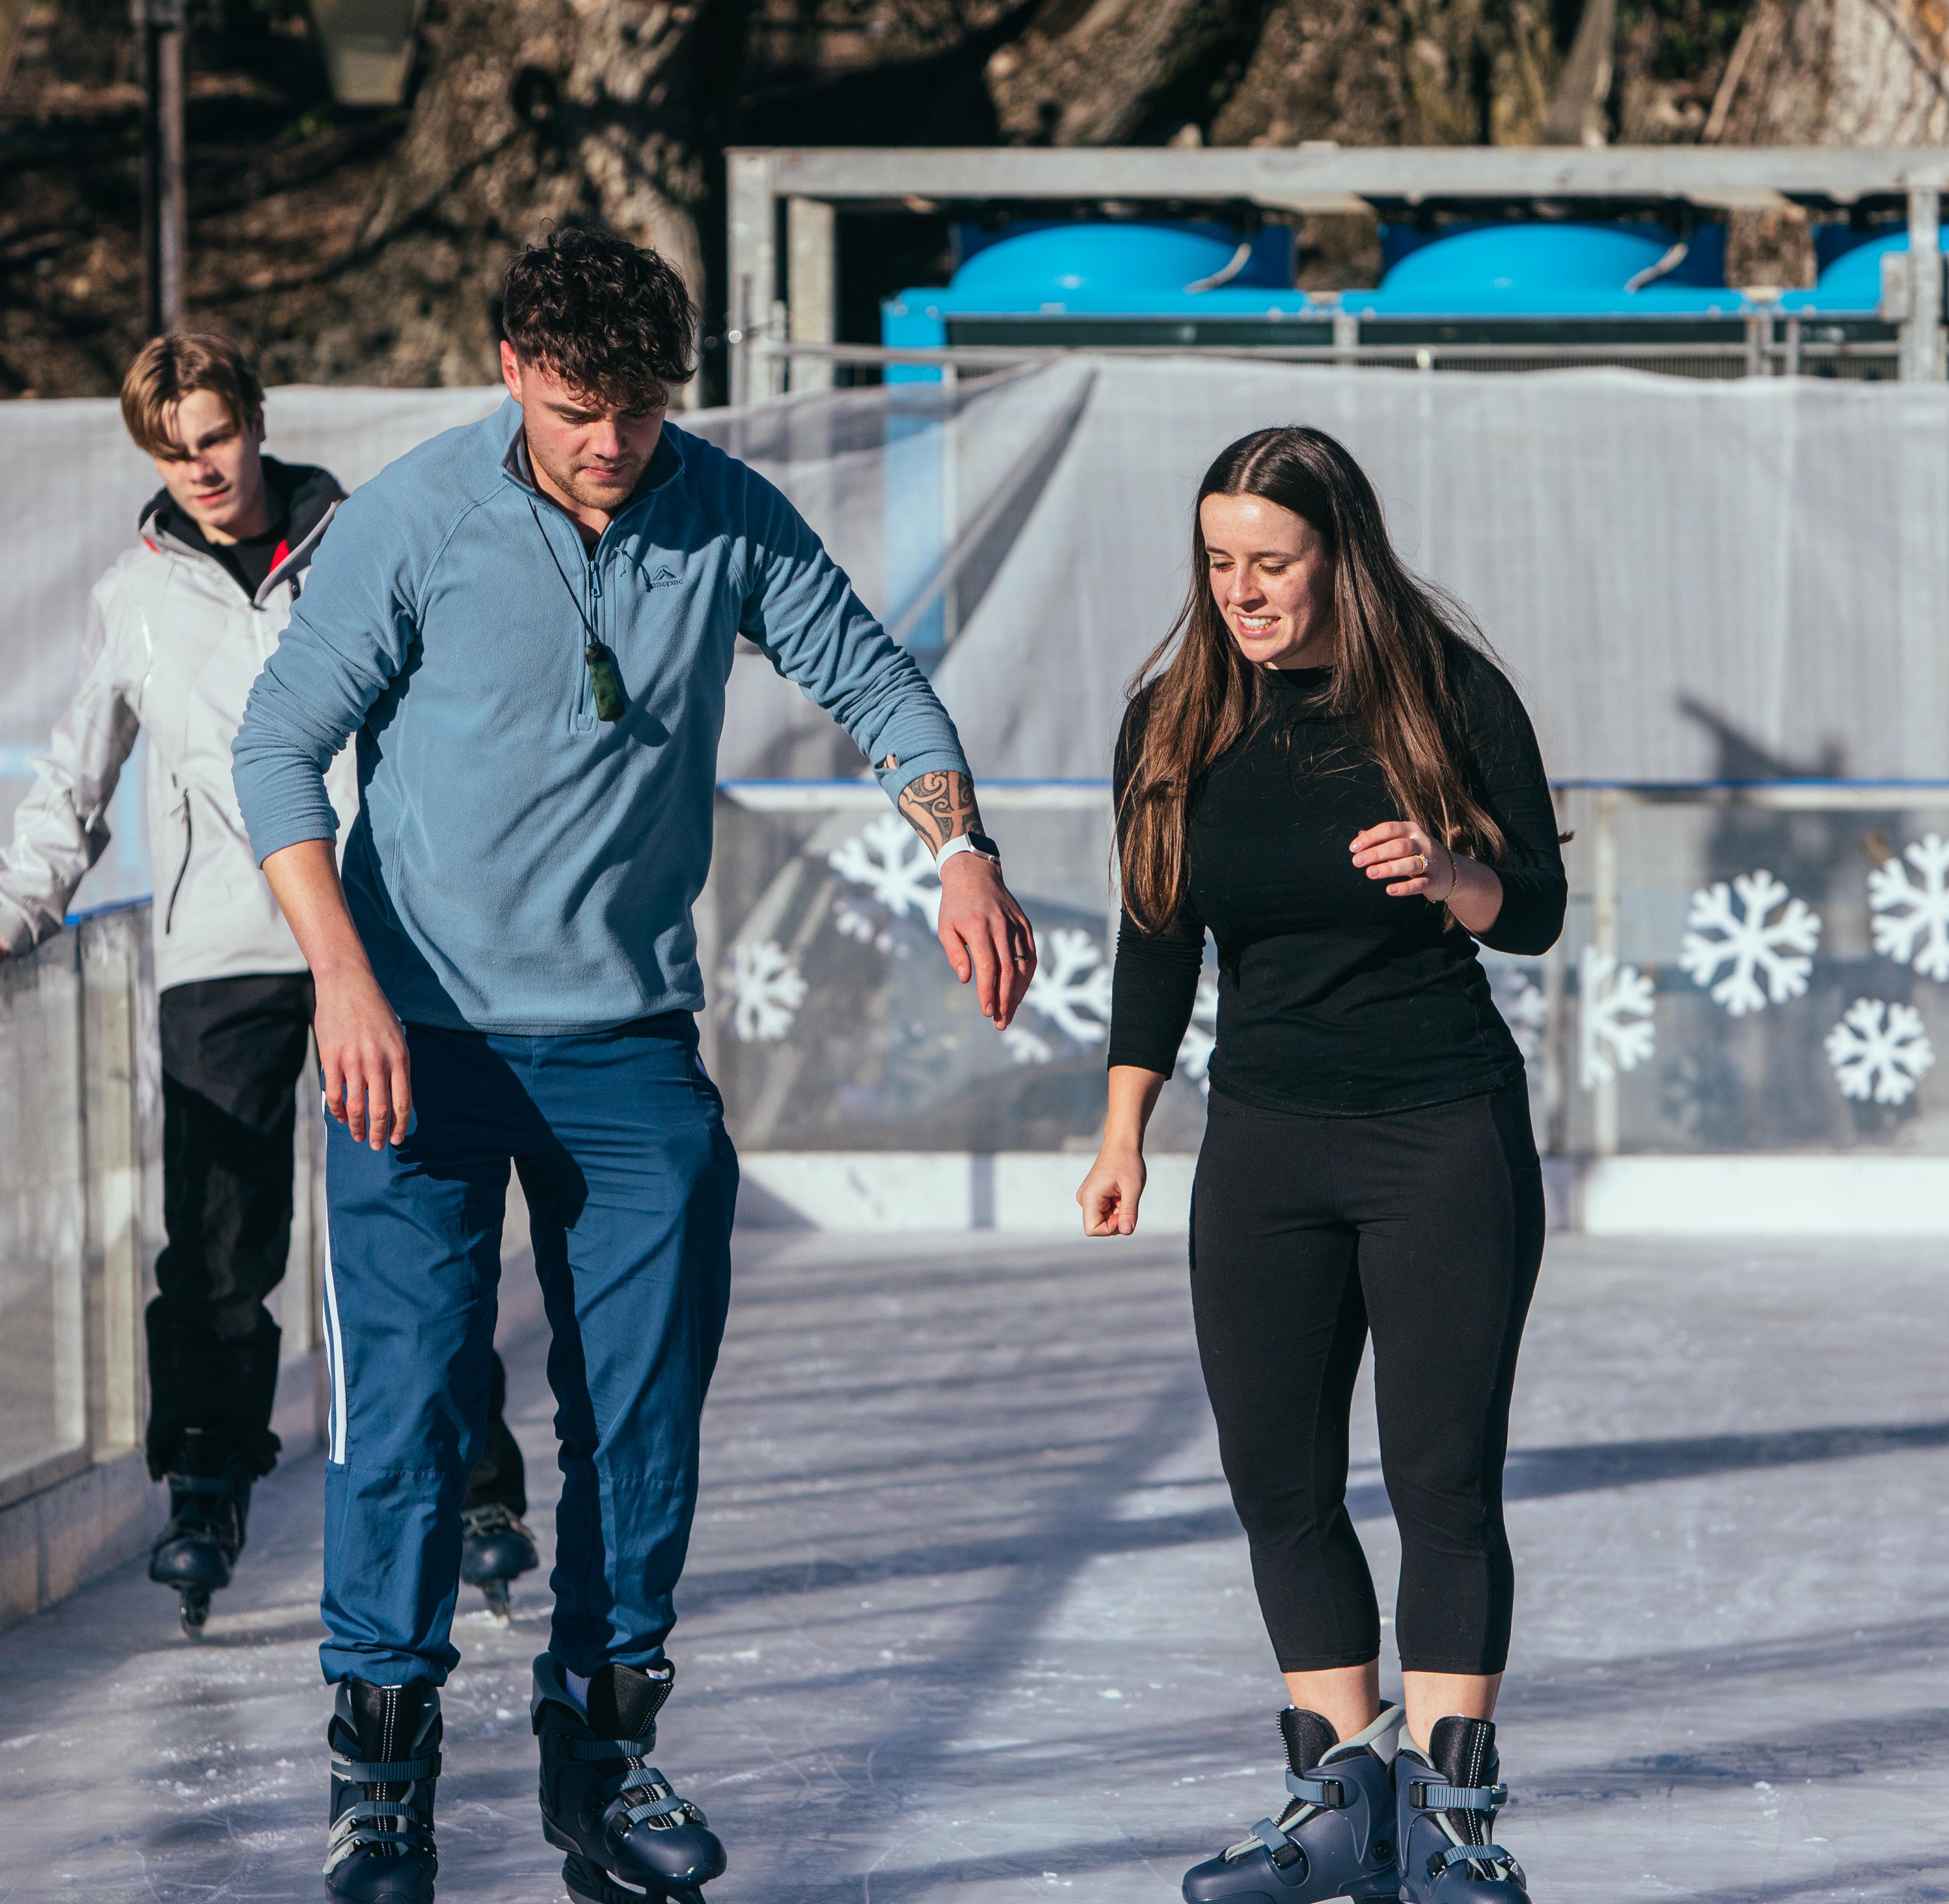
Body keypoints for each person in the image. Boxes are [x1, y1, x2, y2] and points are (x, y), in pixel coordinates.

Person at [232, 225, 1037, 1904]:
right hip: (416, 1044)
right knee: (404, 1413)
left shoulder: (721, 511)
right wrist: (343, 982)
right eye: (584, 403)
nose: (615, 441)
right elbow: (281, 749)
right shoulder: (418, 519)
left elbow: (878, 683)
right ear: (516, 367)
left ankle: (601, 1751)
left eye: (646, 405)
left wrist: (961, 848)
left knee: (644, 1412)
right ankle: (382, 1781)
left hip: (625, 1045)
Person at [0, 333, 539, 1634]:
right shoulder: (137, 594)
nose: (199, 468)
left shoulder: (365, 542)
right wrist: (14, 903)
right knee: (219, 1243)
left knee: (417, 1235)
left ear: (257, 424)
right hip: (223, 949)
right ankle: (207, 1485)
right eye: (170, 450)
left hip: (381, 940)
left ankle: (482, 1489)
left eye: (213, 437)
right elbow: (78, 773)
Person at [1078, 426, 1565, 1904]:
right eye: (1220, 563)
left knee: (1440, 1480)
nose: (1243, 591)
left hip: (1440, 1134)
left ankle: (1456, 1826)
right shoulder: (1175, 721)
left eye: (1271, 563)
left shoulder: (1446, 695)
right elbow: (1158, 934)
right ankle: (1337, 1804)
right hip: (1267, 1142)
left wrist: (1451, 873)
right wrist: (1125, 1130)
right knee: (1275, 1480)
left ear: (1337, 554)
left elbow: (1533, 907)